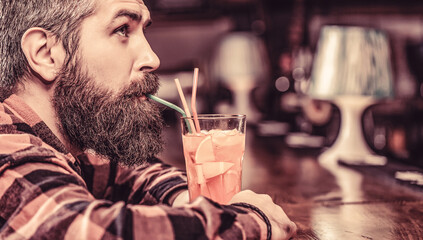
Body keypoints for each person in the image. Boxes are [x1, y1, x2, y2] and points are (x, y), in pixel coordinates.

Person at [0, 0, 297, 239]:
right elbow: (82, 229)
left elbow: (129, 173)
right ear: (46, 54)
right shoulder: (7, 147)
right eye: (122, 30)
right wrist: (249, 220)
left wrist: (187, 199)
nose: (152, 58)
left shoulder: (57, 144)